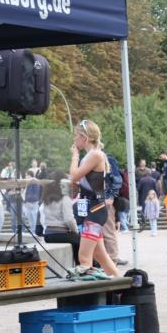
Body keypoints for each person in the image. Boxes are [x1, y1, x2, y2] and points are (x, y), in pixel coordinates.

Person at [69, 119, 119, 278]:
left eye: (76, 136)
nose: (74, 139)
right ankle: (122, 287)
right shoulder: (91, 155)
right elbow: (77, 181)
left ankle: (94, 289)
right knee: (101, 257)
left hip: (95, 210)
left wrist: (75, 156)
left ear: (84, 137)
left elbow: (73, 176)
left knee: (84, 258)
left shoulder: (95, 155)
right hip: (92, 209)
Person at [40, 172, 80, 258]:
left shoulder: (46, 199)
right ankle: (80, 264)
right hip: (60, 234)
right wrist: (76, 231)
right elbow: (69, 219)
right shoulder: (65, 198)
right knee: (82, 242)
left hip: (48, 235)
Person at [22, 169, 42, 234]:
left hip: (33, 202)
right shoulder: (28, 182)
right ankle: (33, 230)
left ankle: (35, 231)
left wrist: (30, 202)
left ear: (30, 175)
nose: (25, 177)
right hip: (28, 202)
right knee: (30, 218)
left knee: (34, 218)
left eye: (26, 175)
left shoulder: (34, 181)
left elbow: (36, 193)